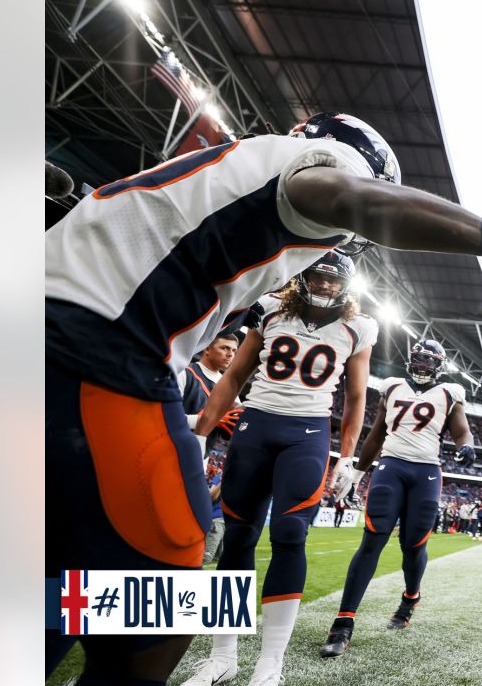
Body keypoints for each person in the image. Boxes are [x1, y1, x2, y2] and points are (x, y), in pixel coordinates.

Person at [45, 110, 482, 683]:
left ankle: (50, 617)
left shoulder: (227, 180)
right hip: (97, 346)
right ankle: (194, 651)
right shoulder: (307, 167)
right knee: (173, 572)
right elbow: (341, 196)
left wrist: (342, 456)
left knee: (67, 553)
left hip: (63, 339)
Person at [181, 250, 375, 686]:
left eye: (333, 280)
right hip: (256, 425)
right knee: (237, 537)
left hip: (305, 434)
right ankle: (222, 657)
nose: (326, 285)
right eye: (319, 276)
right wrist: (202, 431)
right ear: (302, 276)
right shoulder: (269, 309)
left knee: (290, 534)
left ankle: (270, 665)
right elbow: (233, 377)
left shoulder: (359, 328)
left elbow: (358, 398)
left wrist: (348, 457)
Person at [320, 339, 476, 657]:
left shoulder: (450, 393)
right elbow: (376, 434)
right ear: (409, 359)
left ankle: (410, 597)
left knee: (413, 545)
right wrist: (358, 475)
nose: (421, 366)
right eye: (417, 359)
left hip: (426, 474)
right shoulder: (392, 387)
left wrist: (465, 447)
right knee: (372, 540)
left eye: (428, 361)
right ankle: (343, 622)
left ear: (439, 366)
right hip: (390, 466)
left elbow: (461, 430)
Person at [202, 467, 225, 566]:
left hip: (226, 523)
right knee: (206, 558)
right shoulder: (219, 478)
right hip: (217, 522)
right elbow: (211, 496)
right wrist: (223, 481)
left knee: (221, 559)